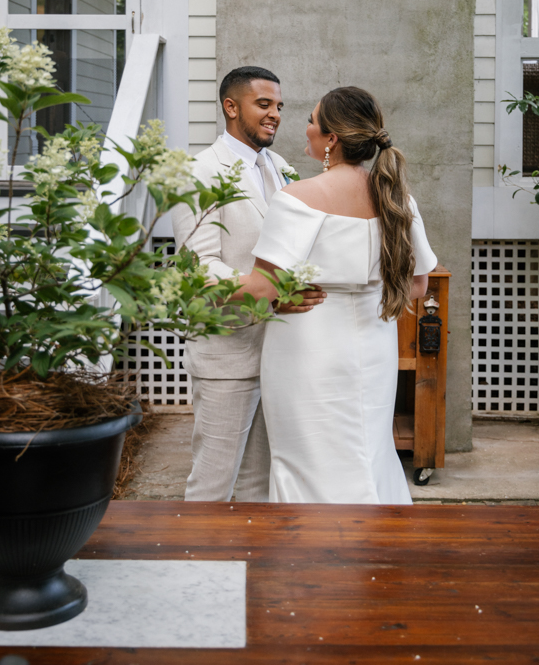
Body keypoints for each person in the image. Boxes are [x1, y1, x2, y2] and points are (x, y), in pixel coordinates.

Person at [233, 86, 437, 503]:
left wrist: (197, 280)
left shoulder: (297, 199)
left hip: (307, 349)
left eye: (311, 120)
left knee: (308, 460)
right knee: (369, 452)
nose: (304, 128)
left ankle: (312, 560)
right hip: (374, 348)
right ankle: (376, 556)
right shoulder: (397, 199)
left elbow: (259, 290)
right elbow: (418, 286)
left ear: (331, 140)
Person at [171, 66, 324, 502]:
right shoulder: (198, 170)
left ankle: (246, 568)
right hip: (228, 349)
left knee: (261, 482)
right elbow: (199, 268)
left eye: (279, 106)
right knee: (213, 483)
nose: (275, 114)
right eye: (264, 104)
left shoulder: (279, 167)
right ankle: (196, 569)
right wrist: (272, 293)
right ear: (231, 107)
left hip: (279, 351)